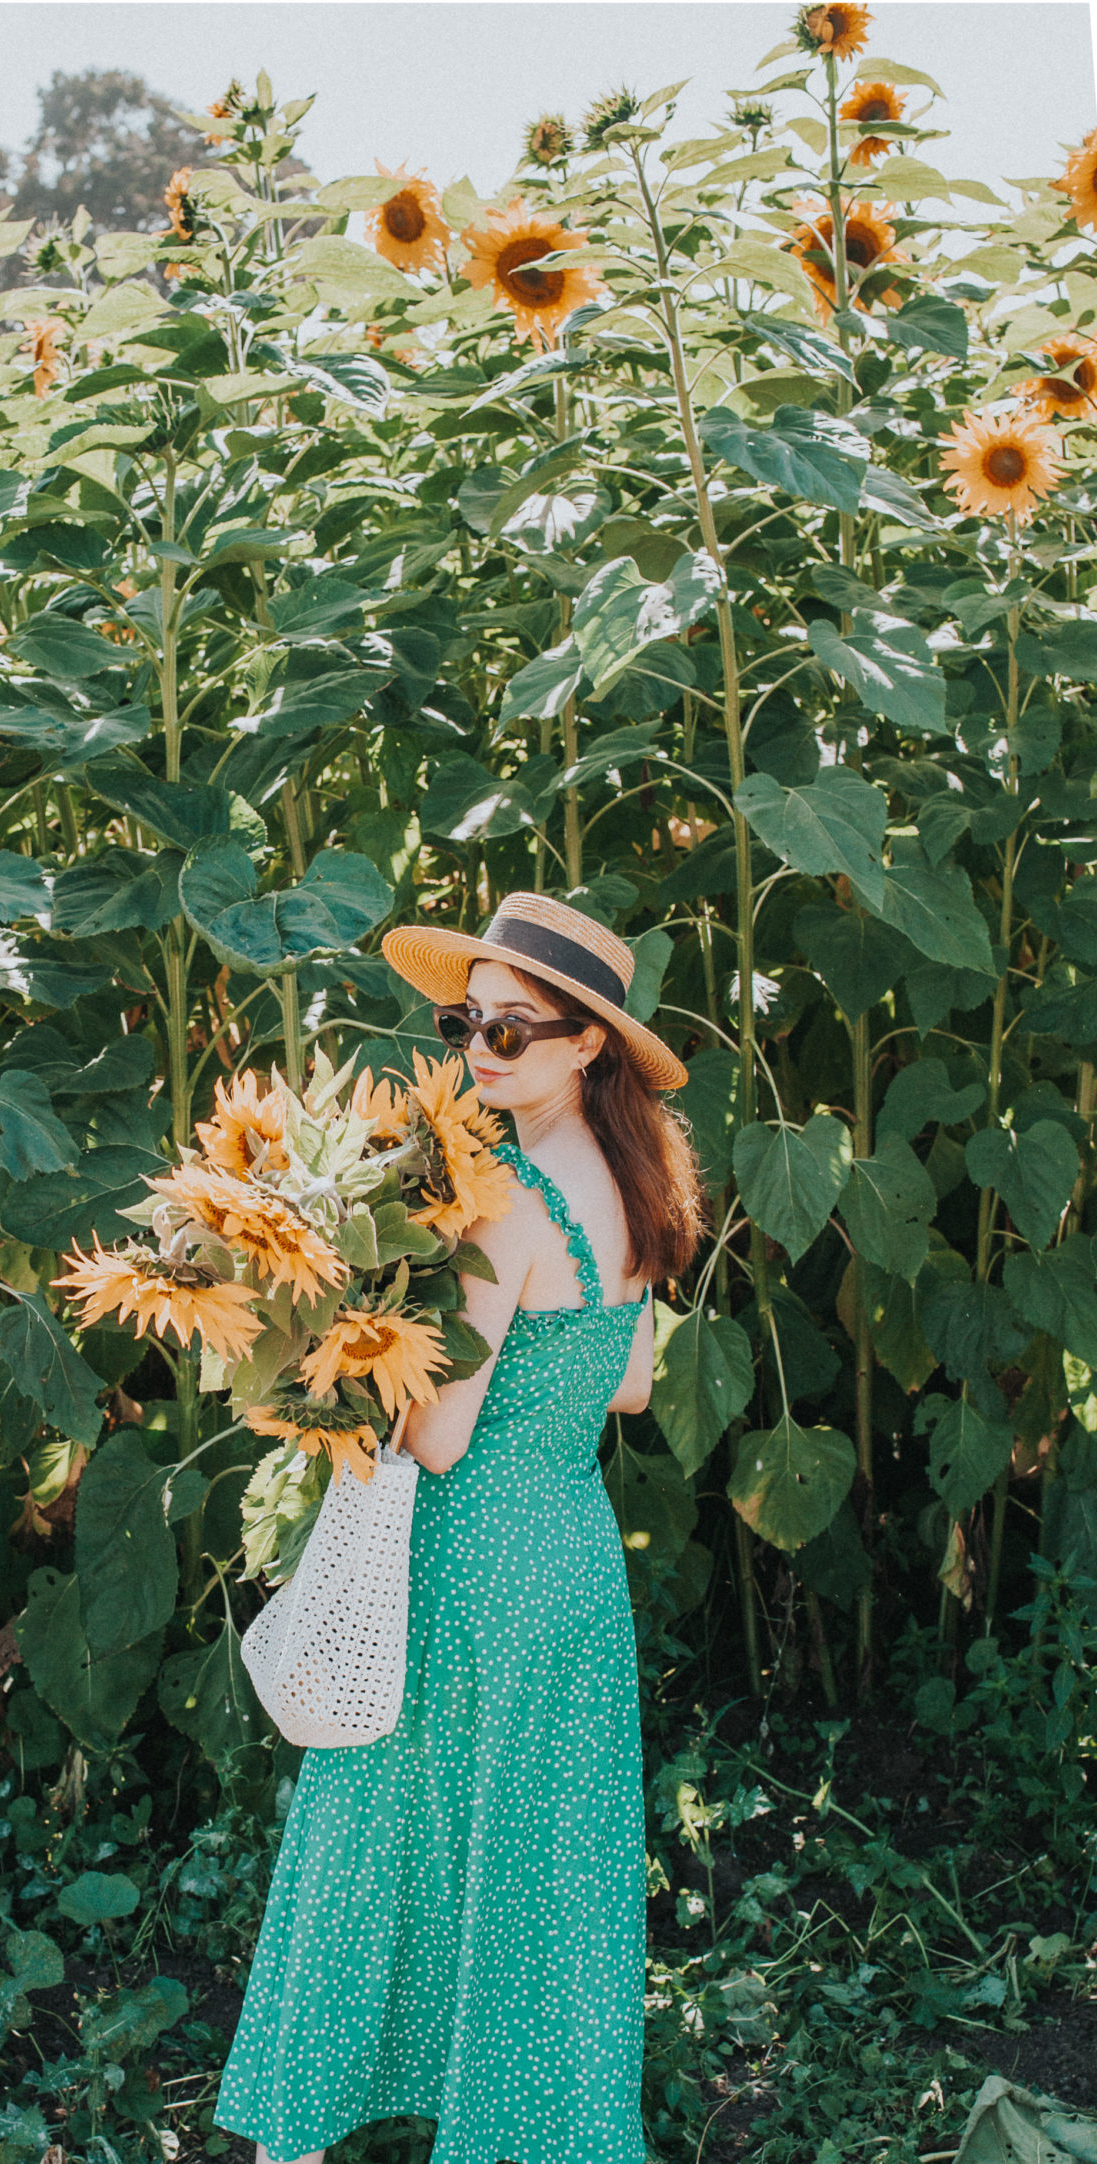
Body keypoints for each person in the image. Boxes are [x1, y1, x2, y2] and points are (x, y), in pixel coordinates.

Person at [215, 892, 709, 2164]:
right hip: (571, 1566)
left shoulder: (509, 1200)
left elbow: (436, 1435)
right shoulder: (640, 1183)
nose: (479, 1054)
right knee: (538, 1874)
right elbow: (634, 1384)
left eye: (511, 1031)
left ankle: (297, 2138)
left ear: (587, 1042)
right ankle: (529, 2131)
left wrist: (340, 1324)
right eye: (463, 1023)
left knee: (365, 1848)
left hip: (464, 1564)